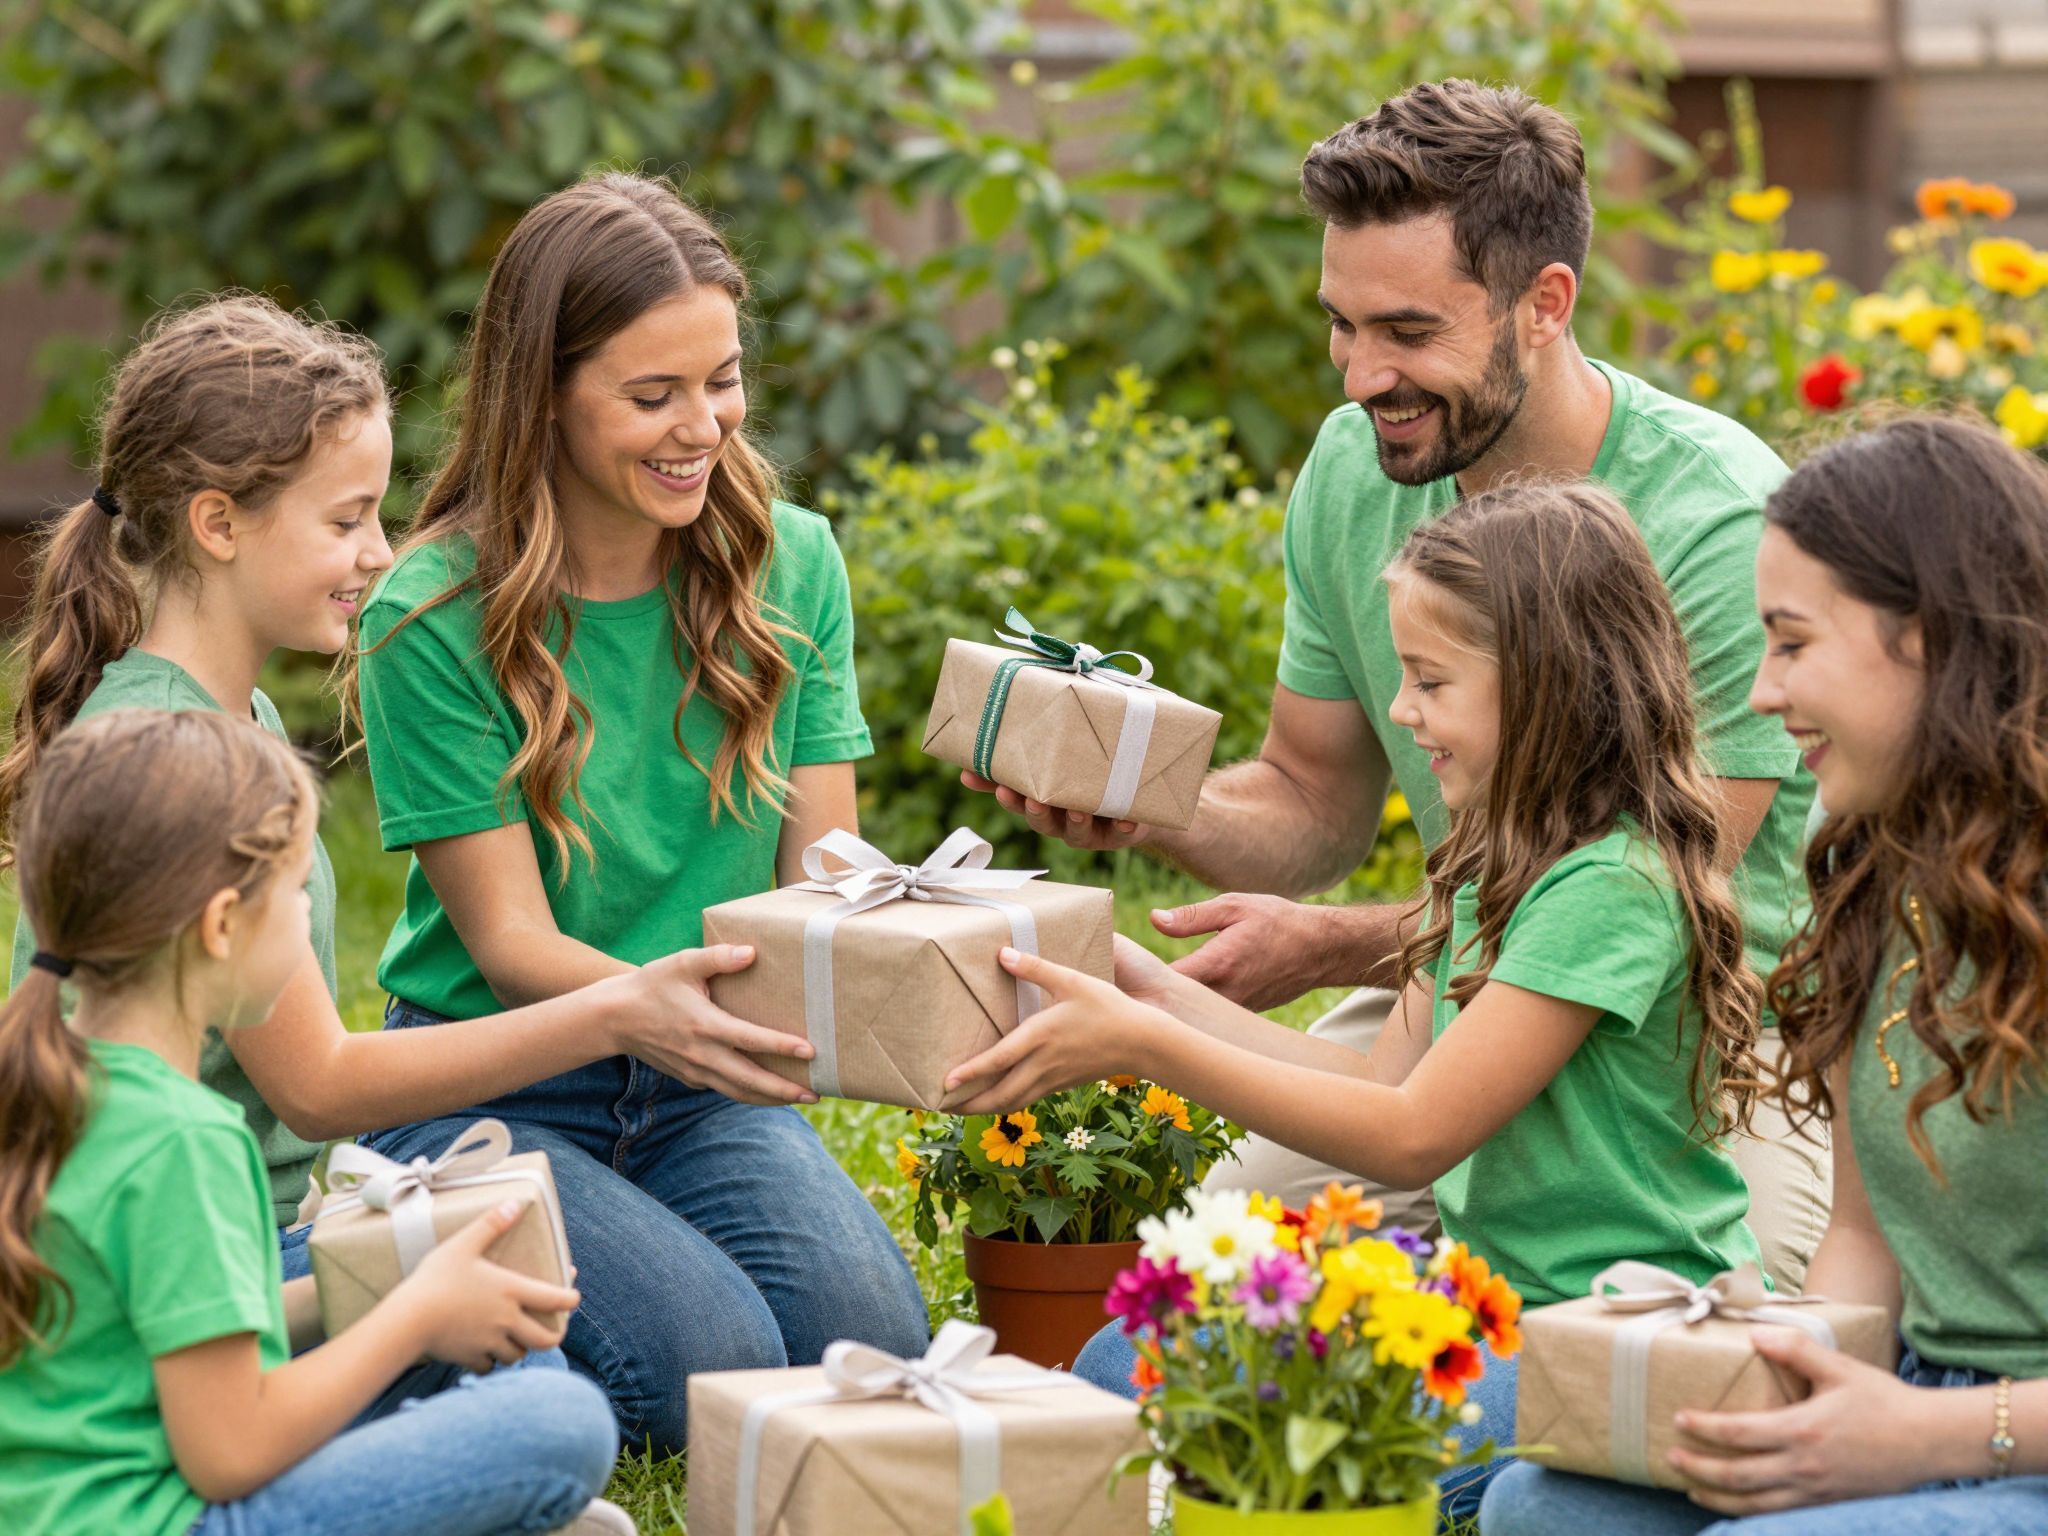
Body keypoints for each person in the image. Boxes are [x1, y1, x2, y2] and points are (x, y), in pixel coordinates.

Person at [966, 79, 1827, 1288]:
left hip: (1711, 1050)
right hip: (1453, 987)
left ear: (1544, 303)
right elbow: (1316, 803)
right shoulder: (1359, 465)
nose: (1359, 376)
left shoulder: (1710, 522)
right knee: (1212, 1278)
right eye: (1340, 325)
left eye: (1408, 333)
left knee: (1717, 1370)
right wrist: (1144, 804)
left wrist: (1326, 948)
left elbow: (1649, 911)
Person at [945, 482, 1770, 1523]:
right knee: (1123, 1360)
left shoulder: (1611, 887)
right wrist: (1138, 981)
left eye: (1428, 680)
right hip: (1493, 1311)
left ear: (1551, 687)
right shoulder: (1483, 857)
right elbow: (1380, 1078)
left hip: (1619, 1332)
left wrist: (1143, 1043)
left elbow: (1411, 1135)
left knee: (1244, 1420)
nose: (1398, 711)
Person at [0, 294, 770, 1290]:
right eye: (346, 518)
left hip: (235, 1236)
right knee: (551, 1393)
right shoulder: (179, 757)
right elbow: (318, 1086)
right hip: (182, 1269)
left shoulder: (236, 721)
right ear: (219, 524)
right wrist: (621, 1009)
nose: (377, 551)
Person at [347, 171, 928, 1455]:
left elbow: (822, 861)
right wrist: (667, 1016)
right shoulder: (433, 616)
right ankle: (402, 1303)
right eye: (650, 396)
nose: (702, 427)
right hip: (497, 1074)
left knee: (871, 1347)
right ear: (540, 397)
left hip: (698, 1087)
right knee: (705, 1366)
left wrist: (909, 946)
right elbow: (509, 947)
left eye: (720, 380)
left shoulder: (791, 561)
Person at [1478, 417, 2048, 1533]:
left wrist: (1922, 1437)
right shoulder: (1881, 876)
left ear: (1925, 635)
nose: (1758, 694)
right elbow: (1862, 1243)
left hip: (2008, 1442)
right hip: (1909, 1399)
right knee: (1540, 1508)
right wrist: (1772, 1375)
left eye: (1789, 643)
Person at [0, 708, 627, 1536]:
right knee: (560, 1421)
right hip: (170, 1518)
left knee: (497, 1343)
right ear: (223, 926)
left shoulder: (60, 1083)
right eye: (295, 892)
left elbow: (170, 1333)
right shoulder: (186, 1140)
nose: (305, 917)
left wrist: (397, 1288)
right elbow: (229, 1452)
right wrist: (414, 1317)